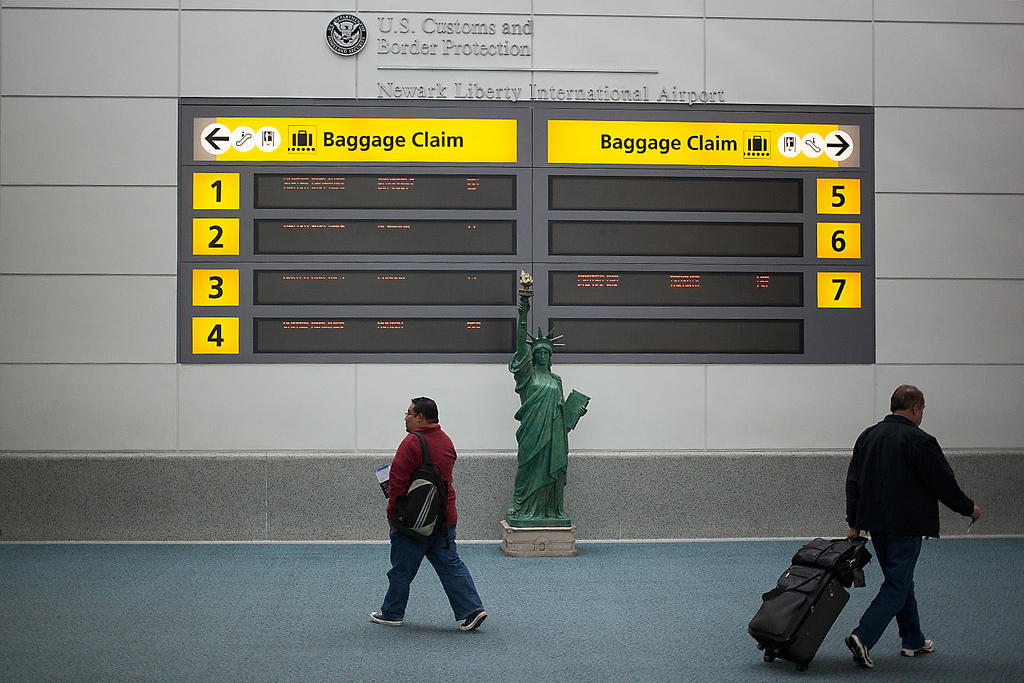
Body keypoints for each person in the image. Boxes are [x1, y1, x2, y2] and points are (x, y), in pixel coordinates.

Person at [844, 384, 980, 668]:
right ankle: (862, 636)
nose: (922, 416)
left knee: (902, 580)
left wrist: (854, 524)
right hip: (906, 525)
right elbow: (943, 483)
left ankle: (913, 641)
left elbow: (853, 483)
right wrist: (968, 508)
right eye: (922, 411)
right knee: (897, 583)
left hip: (874, 524)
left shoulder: (867, 436)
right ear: (916, 408)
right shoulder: (921, 440)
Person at [371, 397, 487, 631]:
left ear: (420, 417)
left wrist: (392, 517)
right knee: (450, 565)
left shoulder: (411, 443)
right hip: (444, 519)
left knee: (402, 569)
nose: (405, 418)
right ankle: (472, 609)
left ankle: (392, 613)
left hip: (415, 522)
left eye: (408, 413)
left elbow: (397, 485)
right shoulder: (446, 441)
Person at [506, 278, 587, 527]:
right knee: (527, 468)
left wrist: (574, 414)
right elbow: (521, 347)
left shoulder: (556, 379)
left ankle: (552, 511)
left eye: (545, 352)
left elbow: (560, 412)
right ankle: (522, 508)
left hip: (553, 436)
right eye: (538, 352)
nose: (541, 355)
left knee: (553, 474)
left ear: (550, 356)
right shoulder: (528, 374)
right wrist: (523, 312)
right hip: (532, 432)